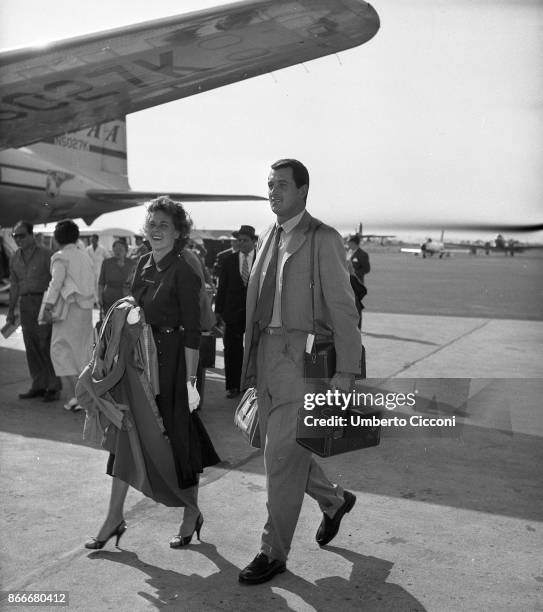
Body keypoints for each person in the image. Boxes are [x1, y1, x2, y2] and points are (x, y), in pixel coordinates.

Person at [238, 159, 362, 585]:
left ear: (303, 190)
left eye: (282, 185)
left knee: (278, 459)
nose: (273, 191)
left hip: (301, 359)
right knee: (286, 452)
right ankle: (334, 501)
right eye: (270, 185)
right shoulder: (268, 236)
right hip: (267, 357)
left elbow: (345, 308)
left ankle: (273, 551)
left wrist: (347, 369)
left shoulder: (322, 238)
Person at [83, 196, 219, 550]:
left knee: (178, 438)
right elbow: (133, 307)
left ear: (178, 232)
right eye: (152, 224)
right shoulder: (142, 263)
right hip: (138, 363)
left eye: (164, 225)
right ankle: (114, 517)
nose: (156, 230)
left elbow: (193, 331)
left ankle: (191, 512)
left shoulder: (185, 270)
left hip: (173, 365)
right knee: (126, 436)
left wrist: (190, 383)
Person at [41, 220, 95, 411]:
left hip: (68, 310)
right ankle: (85, 398)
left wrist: (47, 306)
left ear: (56, 238)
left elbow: (56, 283)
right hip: (86, 309)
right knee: (82, 354)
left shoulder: (60, 256)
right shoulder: (85, 255)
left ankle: (77, 397)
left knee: (60, 351)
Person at [6, 221, 61, 401]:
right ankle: (38, 384)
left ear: (31, 235)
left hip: (43, 302)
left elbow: (57, 282)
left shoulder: (47, 255)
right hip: (25, 304)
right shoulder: (15, 257)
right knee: (31, 345)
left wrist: (52, 307)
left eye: (22, 235)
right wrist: (11, 309)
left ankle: (53, 386)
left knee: (46, 344)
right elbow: (14, 285)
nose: (18, 239)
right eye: (15, 236)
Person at [215, 225, 256, 398]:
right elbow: (221, 287)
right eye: (239, 240)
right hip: (232, 313)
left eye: (245, 240)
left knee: (255, 349)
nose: (241, 243)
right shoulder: (229, 261)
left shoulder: (262, 259)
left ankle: (253, 385)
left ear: (253, 241)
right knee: (232, 350)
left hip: (255, 313)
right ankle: (232, 386)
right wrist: (218, 311)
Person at [98, 239, 136, 315]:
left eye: (120, 249)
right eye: (115, 249)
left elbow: (136, 283)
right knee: (110, 321)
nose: (117, 251)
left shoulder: (132, 263)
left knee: (125, 323)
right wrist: (100, 298)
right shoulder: (107, 263)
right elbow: (101, 283)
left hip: (126, 297)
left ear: (126, 251)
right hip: (109, 297)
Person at [346, 234, 370, 327]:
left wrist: (354, 273)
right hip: (347, 283)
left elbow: (367, 269)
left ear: (354, 243)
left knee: (357, 305)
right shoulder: (348, 252)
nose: (347, 244)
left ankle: (357, 326)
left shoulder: (363, 254)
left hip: (357, 284)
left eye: (349, 242)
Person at [86, 233, 108, 300]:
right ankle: (93, 301)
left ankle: (99, 300)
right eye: (91, 239)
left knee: (99, 286)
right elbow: (85, 259)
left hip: (99, 270)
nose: (92, 241)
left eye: (93, 239)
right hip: (90, 271)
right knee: (91, 285)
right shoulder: (87, 249)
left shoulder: (102, 249)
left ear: (97, 240)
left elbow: (107, 258)